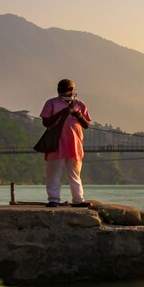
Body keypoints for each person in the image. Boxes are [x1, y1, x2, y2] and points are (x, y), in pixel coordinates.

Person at [39, 79, 91, 207]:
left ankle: (78, 200)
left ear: (72, 90)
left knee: (75, 174)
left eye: (66, 89)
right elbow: (46, 123)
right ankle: (53, 199)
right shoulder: (51, 103)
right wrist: (61, 113)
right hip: (56, 143)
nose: (63, 91)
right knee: (53, 173)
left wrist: (79, 115)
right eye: (61, 88)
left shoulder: (80, 104)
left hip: (75, 144)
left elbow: (86, 124)